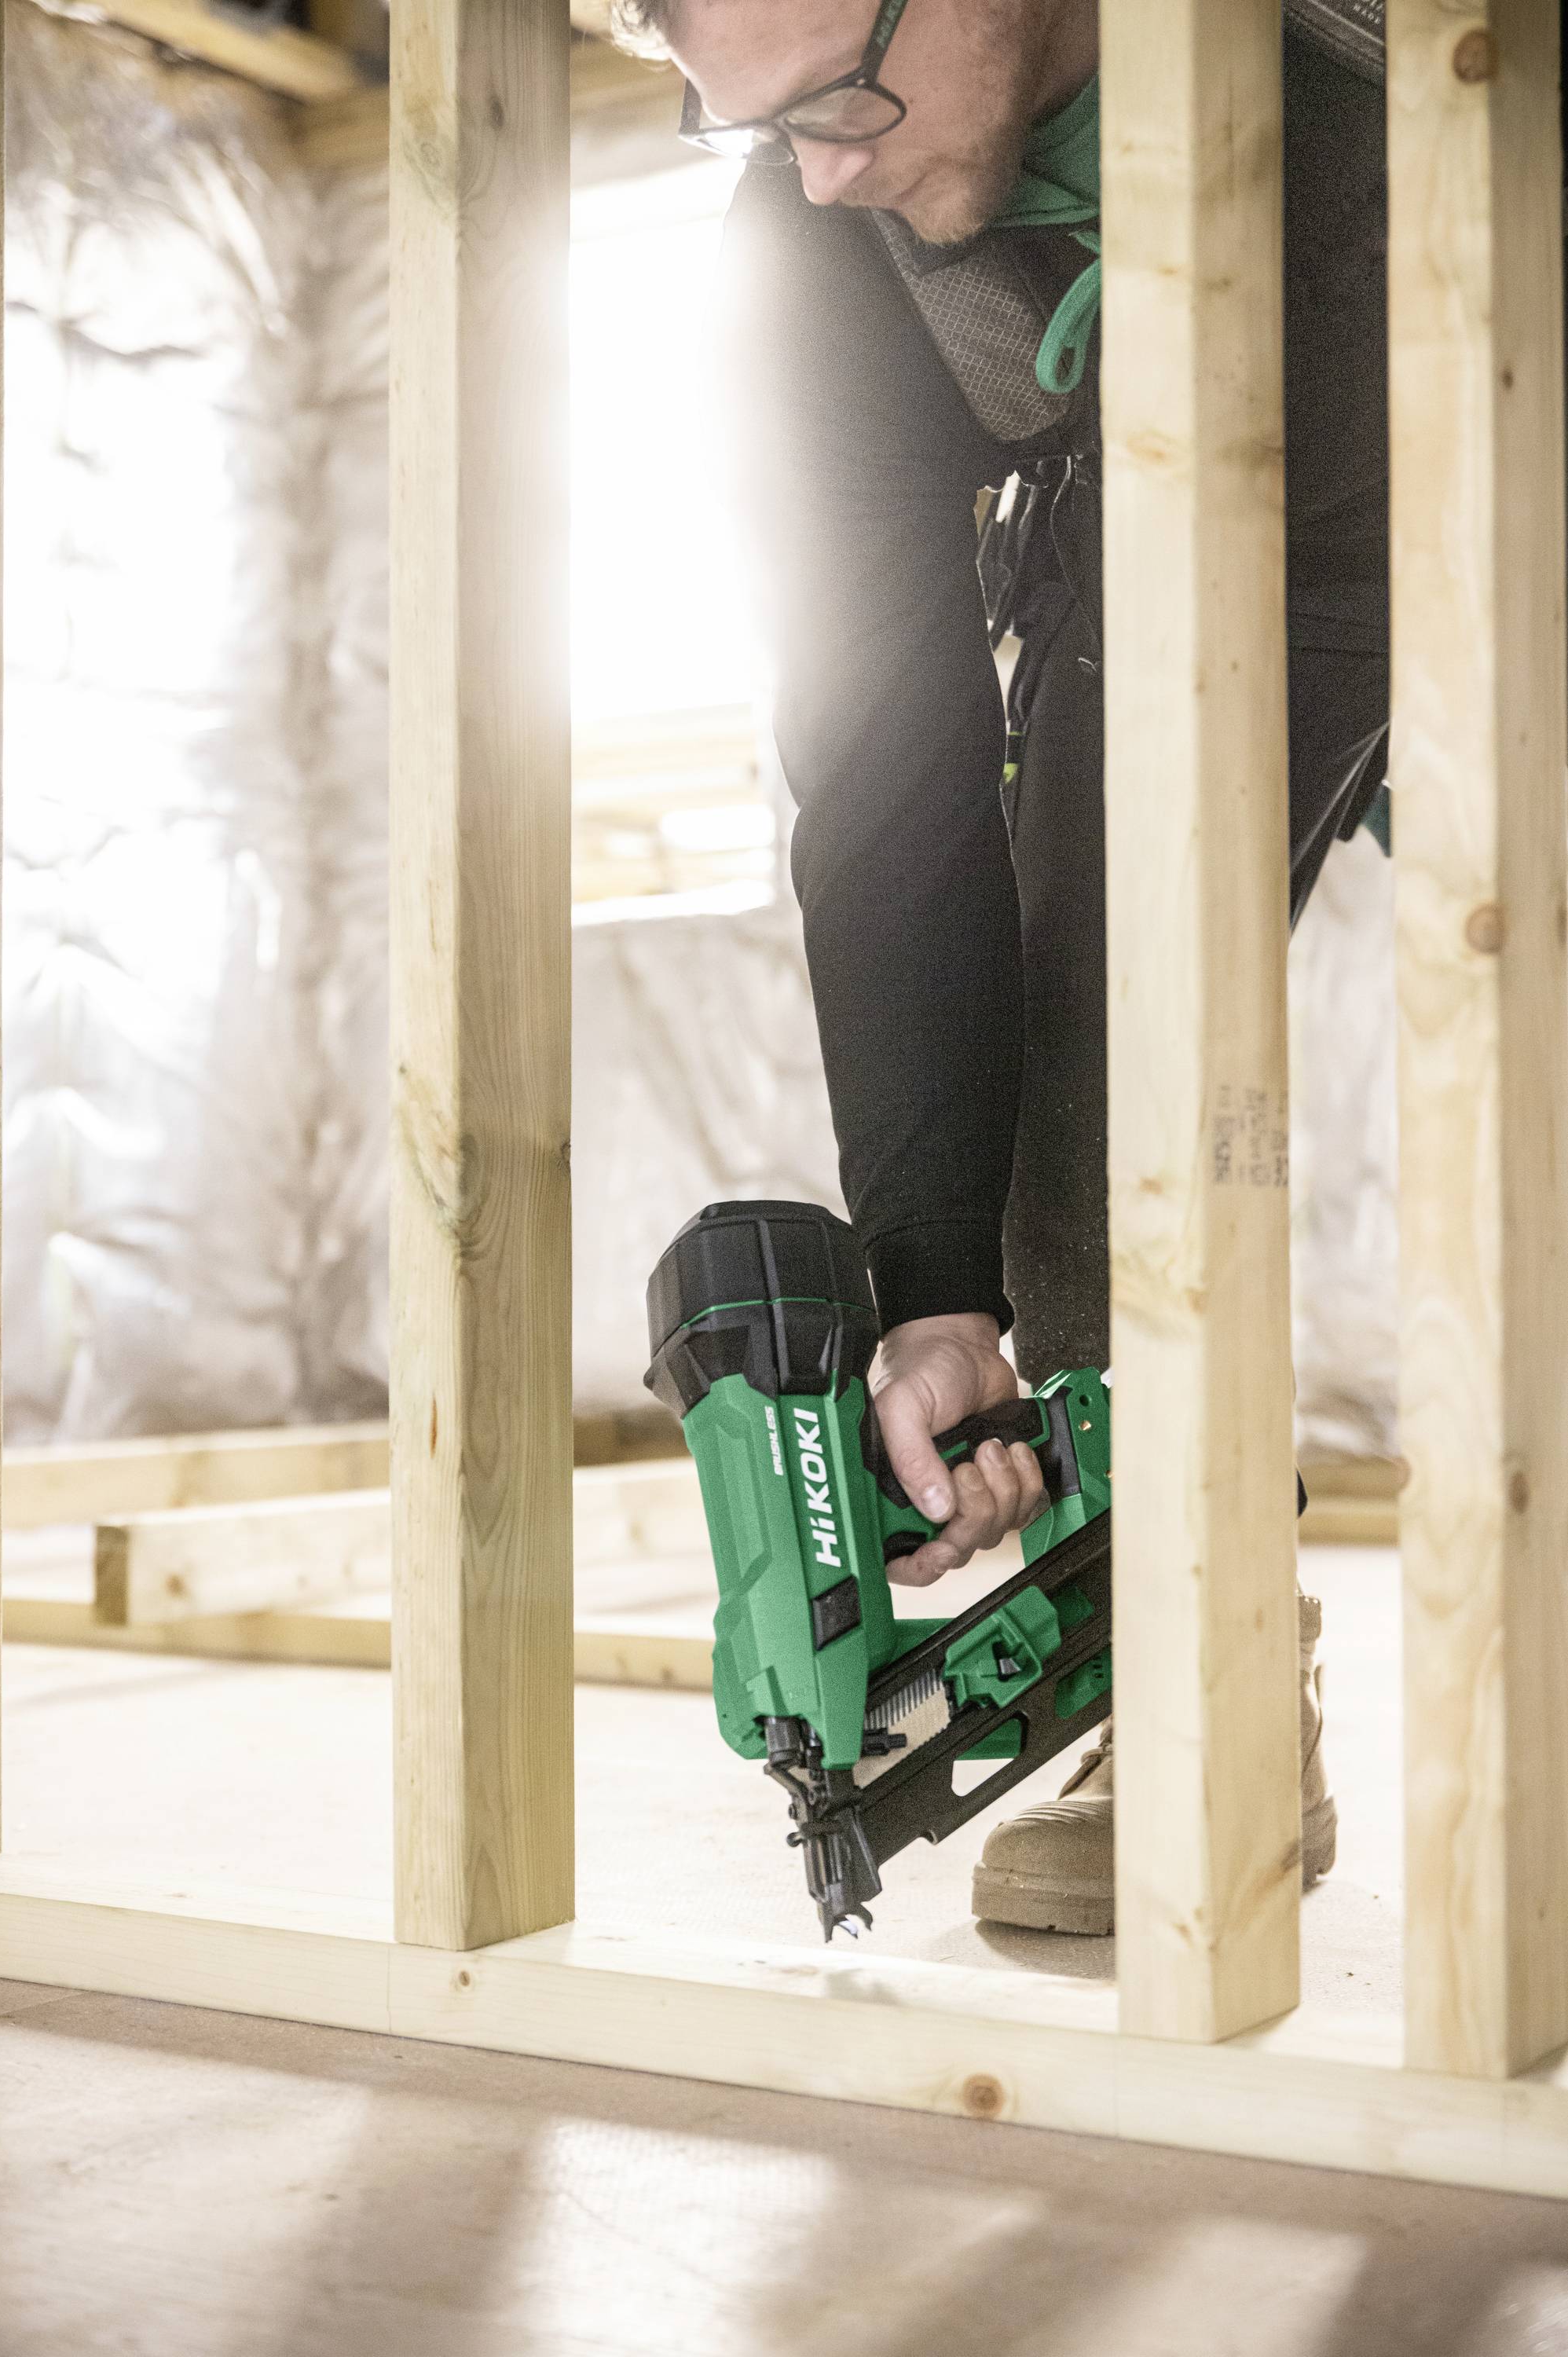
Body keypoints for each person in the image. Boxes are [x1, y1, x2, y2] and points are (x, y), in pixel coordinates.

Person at [614, 0, 1389, 1934]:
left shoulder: (1368, 65)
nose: (819, 169)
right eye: (752, 128)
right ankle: (1205, 1658)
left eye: (840, 102)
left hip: (1490, 452)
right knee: (1080, 1078)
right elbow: (885, 772)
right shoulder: (813, 249)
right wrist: (937, 1277)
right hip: (1166, 554)